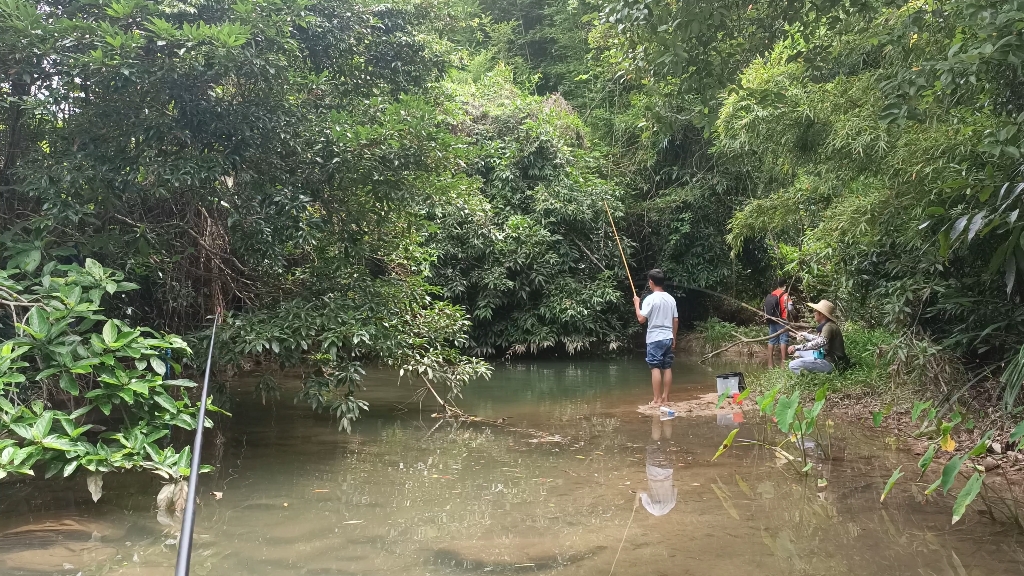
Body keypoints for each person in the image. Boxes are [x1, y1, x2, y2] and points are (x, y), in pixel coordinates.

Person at [633, 269, 679, 406]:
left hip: (655, 338)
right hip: (668, 337)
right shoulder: (671, 299)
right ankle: (666, 398)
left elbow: (641, 319)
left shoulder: (650, 299)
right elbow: (675, 320)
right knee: (667, 366)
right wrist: (674, 338)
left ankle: (657, 399)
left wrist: (637, 304)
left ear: (651, 282)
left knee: (655, 367)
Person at [787, 299, 848, 375]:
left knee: (792, 365)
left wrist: (797, 346)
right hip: (823, 355)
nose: (814, 313)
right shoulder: (828, 325)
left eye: (815, 311)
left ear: (821, 314)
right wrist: (806, 335)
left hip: (830, 362)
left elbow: (819, 342)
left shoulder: (828, 327)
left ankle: (809, 379)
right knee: (799, 353)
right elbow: (821, 340)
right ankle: (809, 368)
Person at [636, 416, 677, 516]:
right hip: (653, 467)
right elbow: (640, 491)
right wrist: (636, 500)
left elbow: (675, 487)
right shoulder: (651, 508)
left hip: (668, 468)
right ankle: (656, 412)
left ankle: (666, 409)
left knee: (667, 438)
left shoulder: (671, 504)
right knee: (655, 440)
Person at [763, 279, 793, 368]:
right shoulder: (785, 295)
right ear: (785, 286)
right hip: (782, 319)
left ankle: (770, 360)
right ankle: (783, 361)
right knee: (783, 339)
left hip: (772, 319)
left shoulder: (773, 293)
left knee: (771, 339)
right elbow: (790, 308)